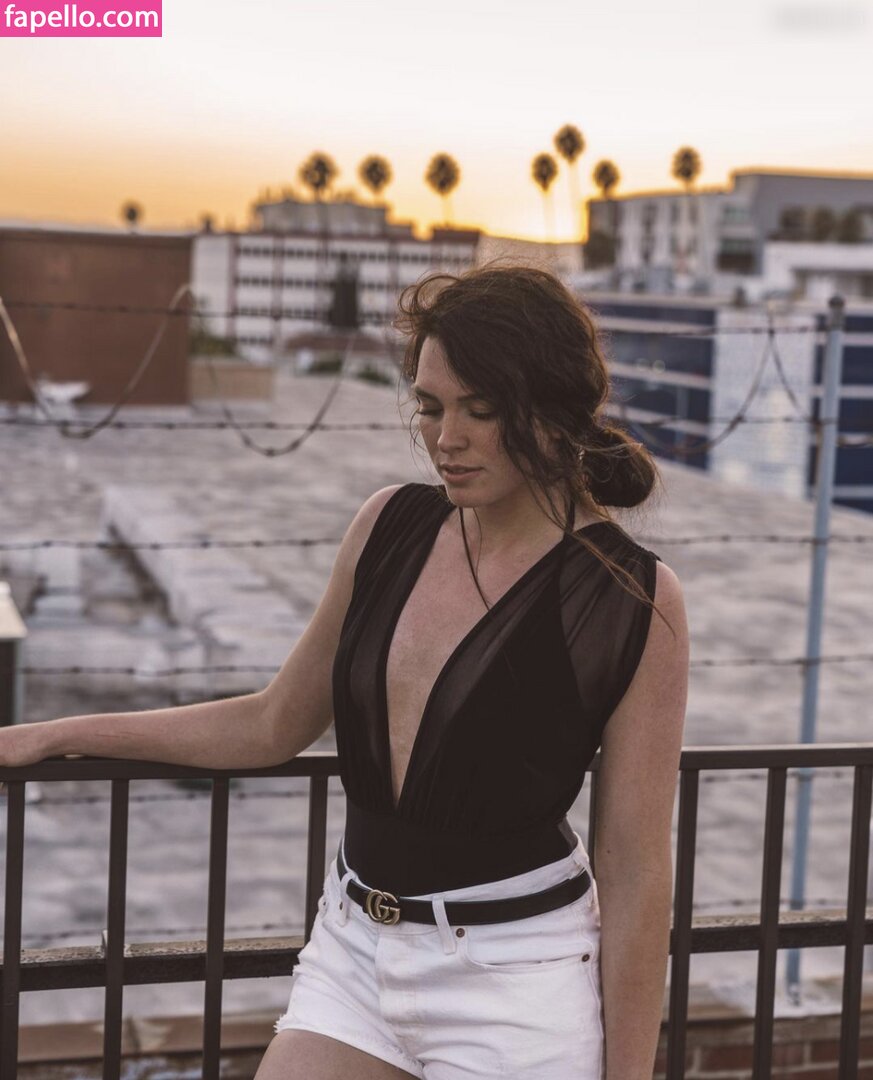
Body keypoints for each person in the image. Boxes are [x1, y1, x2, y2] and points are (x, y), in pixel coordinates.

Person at [0, 264, 689, 1080]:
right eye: (429, 406)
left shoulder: (628, 598)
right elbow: (270, 723)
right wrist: (56, 734)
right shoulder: (389, 526)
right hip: (354, 952)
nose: (445, 438)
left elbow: (634, 867)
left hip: (516, 982)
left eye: (480, 410)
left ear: (551, 410)